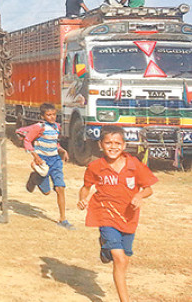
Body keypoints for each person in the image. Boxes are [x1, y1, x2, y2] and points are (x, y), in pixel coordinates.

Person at [78, 126, 157, 302]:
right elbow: (86, 187)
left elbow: (148, 189)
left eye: (117, 143)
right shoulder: (95, 166)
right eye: (108, 143)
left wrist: (138, 195)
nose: (113, 147)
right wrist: (83, 200)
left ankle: (105, 250)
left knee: (123, 259)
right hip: (104, 215)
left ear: (124, 145)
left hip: (128, 218)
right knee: (120, 259)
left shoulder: (134, 165)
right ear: (100, 144)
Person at [17, 103, 74, 229]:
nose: (52, 117)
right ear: (42, 116)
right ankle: (34, 178)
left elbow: (53, 143)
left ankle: (63, 219)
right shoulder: (39, 127)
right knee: (47, 192)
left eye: (53, 114)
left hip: (55, 161)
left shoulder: (56, 127)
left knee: (60, 188)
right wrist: (35, 156)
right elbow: (27, 140)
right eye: (49, 115)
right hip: (43, 161)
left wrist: (62, 150)